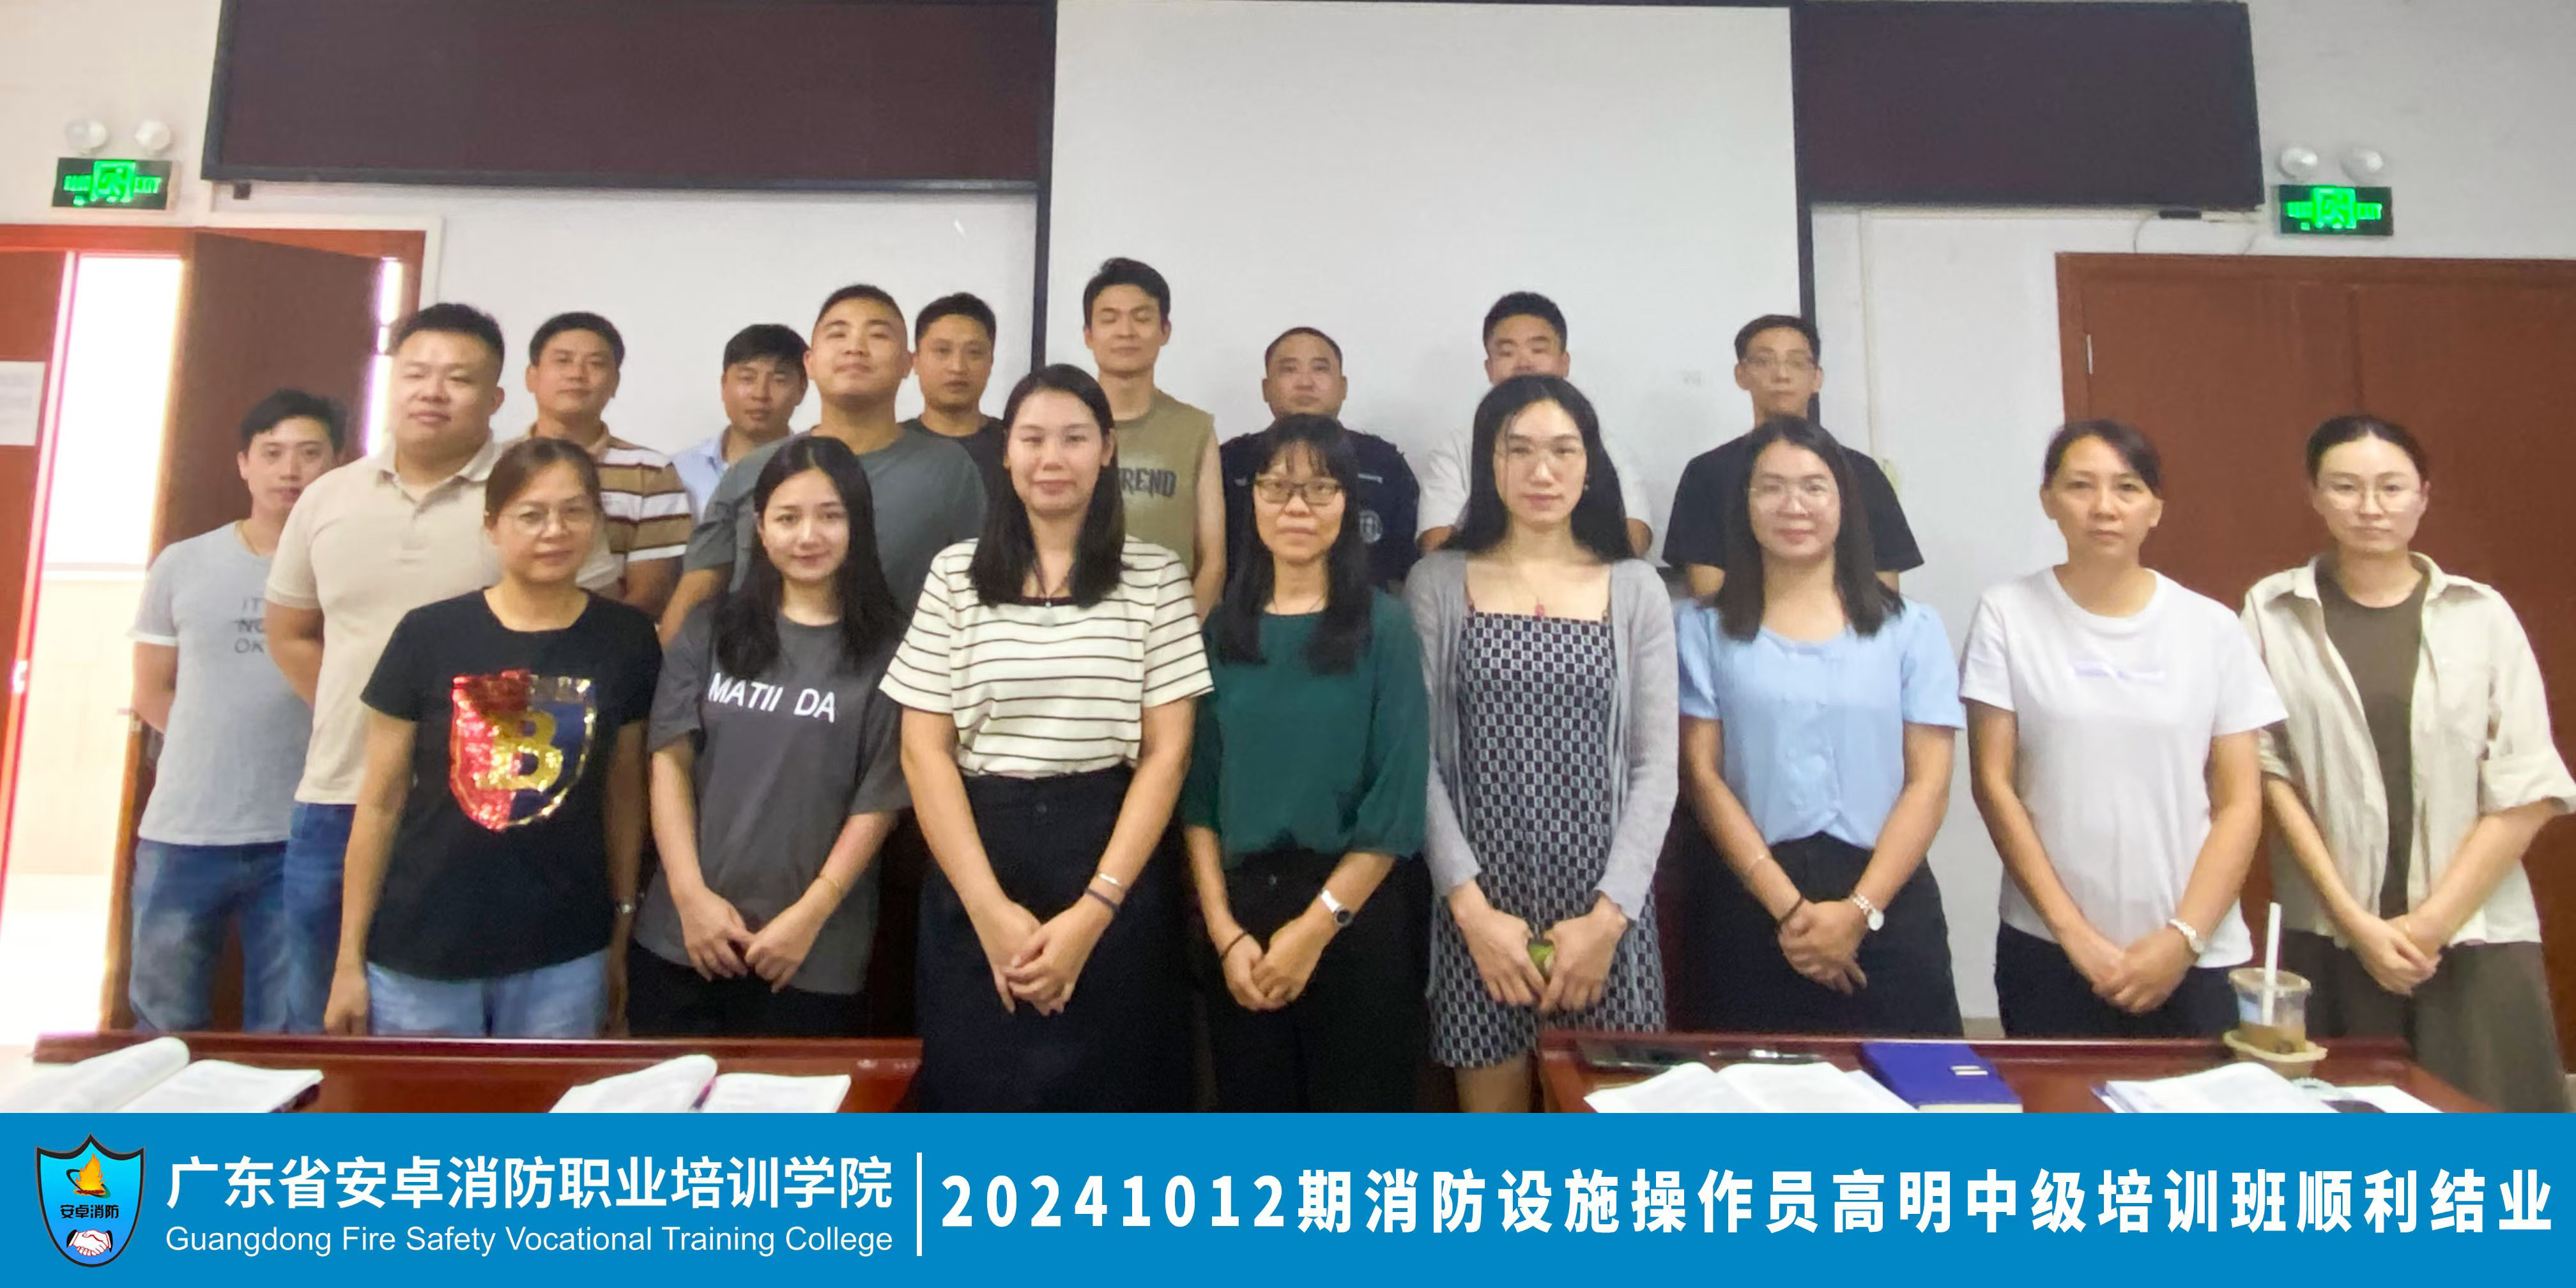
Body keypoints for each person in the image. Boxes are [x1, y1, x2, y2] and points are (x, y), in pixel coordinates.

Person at [267, 303, 619, 1032]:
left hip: (482, 817)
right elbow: (292, 632)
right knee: (323, 1019)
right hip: (339, 796)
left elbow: (580, 635)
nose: (432, 392)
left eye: (458, 378)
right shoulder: (327, 497)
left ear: (497, 398)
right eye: (416, 374)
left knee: (467, 1038)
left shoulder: (529, 496)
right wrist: (389, 719)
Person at [881, 364, 1211, 1110]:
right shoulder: (954, 575)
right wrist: (988, 912)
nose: (1052, 458)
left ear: (1107, 451)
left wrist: (1096, 910)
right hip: (978, 863)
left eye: (1074, 439)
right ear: (1007, 453)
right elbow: (923, 752)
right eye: (1032, 439)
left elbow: (1168, 754)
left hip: (1112, 862)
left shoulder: (1157, 577)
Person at [2244, 415, 2575, 1112]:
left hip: (2474, 933)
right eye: (2346, 487)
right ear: (2314, 495)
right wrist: (2356, 922)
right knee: (2346, 1149)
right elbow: (2268, 773)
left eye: (2391, 487)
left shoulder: (2481, 615)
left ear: (2423, 495)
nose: (2370, 506)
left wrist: (2429, 925)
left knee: (2490, 1148)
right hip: (2333, 934)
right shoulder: (2272, 612)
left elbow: (2528, 785)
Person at [322, 438, 660, 1038]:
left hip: (565, 953)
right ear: (492, 527)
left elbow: (625, 794)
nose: (554, 531)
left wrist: (621, 924)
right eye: (531, 514)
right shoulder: (428, 634)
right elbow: (379, 803)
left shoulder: (627, 639)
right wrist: (349, 958)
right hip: (423, 950)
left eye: (575, 512)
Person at [1962, 420, 2283, 1038]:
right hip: (2049, 948)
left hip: (2194, 952)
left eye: (2127, 488)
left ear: (2155, 508)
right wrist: (2074, 936)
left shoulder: (2211, 627)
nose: (2104, 507)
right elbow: (1994, 785)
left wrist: (2183, 938)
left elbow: (2240, 801)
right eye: (2080, 486)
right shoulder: (2008, 614)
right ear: (2048, 500)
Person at [1409, 374, 1675, 1112]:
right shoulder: (1437, 583)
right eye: (1518, 450)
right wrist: (1472, 913)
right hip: (1478, 916)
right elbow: (1419, 763)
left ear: (1591, 465)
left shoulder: (1635, 587)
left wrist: (1607, 921)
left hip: (1607, 916)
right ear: (1488, 464)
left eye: (1563, 450)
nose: (1542, 470)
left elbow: (1657, 768)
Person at [1673, 417, 1963, 1036]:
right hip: (1754, 901)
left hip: (1886, 901)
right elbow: (1702, 776)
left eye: (1813, 487)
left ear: (1845, 503)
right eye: (1771, 488)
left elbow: (1930, 783)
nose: (1794, 506)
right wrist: (1790, 911)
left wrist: (1858, 911)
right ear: (1743, 504)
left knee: (1908, 1086)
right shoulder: (1701, 629)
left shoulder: (1912, 629)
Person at [1183, 415, 1430, 1110]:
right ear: (1253, 499)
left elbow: (1396, 801)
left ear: (1348, 503)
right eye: (1278, 487)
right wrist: (1224, 934)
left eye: (1320, 489)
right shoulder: (1220, 630)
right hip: (1242, 927)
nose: (1297, 507)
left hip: (1353, 916)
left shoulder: (1386, 626)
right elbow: (1198, 797)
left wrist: (1315, 929)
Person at [633, 436, 909, 1036]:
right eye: (787, 518)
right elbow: (670, 762)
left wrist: (809, 916)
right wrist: (690, 898)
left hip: (811, 953)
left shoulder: (892, 651)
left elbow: (879, 802)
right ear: (760, 528)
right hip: (686, 938)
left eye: (830, 516)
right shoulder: (709, 629)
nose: (808, 536)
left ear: (859, 525)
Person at [126, 390, 342, 1032]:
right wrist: (212, 748)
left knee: (288, 1029)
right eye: (272, 453)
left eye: (309, 454)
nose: (290, 470)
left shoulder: (345, 570)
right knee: (163, 1022)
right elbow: (151, 690)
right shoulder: (184, 563)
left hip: (300, 832)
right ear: (244, 464)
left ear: (337, 464)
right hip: (184, 831)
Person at [662, 285, 986, 640]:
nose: (855, 347)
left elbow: (975, 593)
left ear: (908, 364)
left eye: (878, 335)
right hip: (755, 667)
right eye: (838, 334)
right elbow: (696, 594)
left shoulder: (950, 469)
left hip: (897, 671)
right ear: (810, 364)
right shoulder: (754, 469)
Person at [1664, 314, 1924, 597]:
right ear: (1741, 375)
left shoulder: (1862, 472)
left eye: (1797, 362)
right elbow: (1707, 593)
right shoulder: (1707, 473)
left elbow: (1884, 592)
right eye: (1764, 361)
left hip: (1846, 622)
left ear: (1817, 378)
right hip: (1742, 623)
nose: (1782, 375)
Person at [1415, 293, 1653, 556]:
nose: (1524, 364)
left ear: (1564, 364)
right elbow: (1435, 545)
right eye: (1507, 353)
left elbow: (1635, 538)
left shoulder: (1604, 444)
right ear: (1489, 368)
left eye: (1538, 350)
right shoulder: (1456, 449)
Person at [1219, 327, 1422, 588]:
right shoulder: (1232, 462)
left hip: (1365, 609)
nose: (1305, 383)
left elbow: (1407, 568)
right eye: (1289, 370)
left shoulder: (1384, 464)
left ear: (1343, 387)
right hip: (1250, 609)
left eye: (1320, 369)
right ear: (1266, 389)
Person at [524, 311, 692, 618]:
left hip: (605, 637)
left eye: (596, 363)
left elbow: (652, 592)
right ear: (531, 378)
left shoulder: (651, 471)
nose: (577, 374)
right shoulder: (498, 464)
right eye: (562, 361)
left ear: (614, 383)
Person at [1081, 257, 1225, 615]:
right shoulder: (1063, 425)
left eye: (1142, 318)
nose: (1126, 331)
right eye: (1109, 319)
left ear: (1165, 331)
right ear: (1088, 335)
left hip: (1170, 627)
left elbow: (1213, 561)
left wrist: (1180, 635)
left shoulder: (1194, 428)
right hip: (1074, 624)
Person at [673, 324, 809, 514]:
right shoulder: (679, 472)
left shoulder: (817, 468)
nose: (760, 394)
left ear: (802, 390)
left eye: (779, 380)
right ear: (724, 385)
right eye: (747, 378)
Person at [904, 292, 1008, 503]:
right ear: (916, 361)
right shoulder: (892, 445)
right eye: (942, 351)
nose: (957, 367)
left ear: (991, 363)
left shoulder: (1014, 446)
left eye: (974, 353)